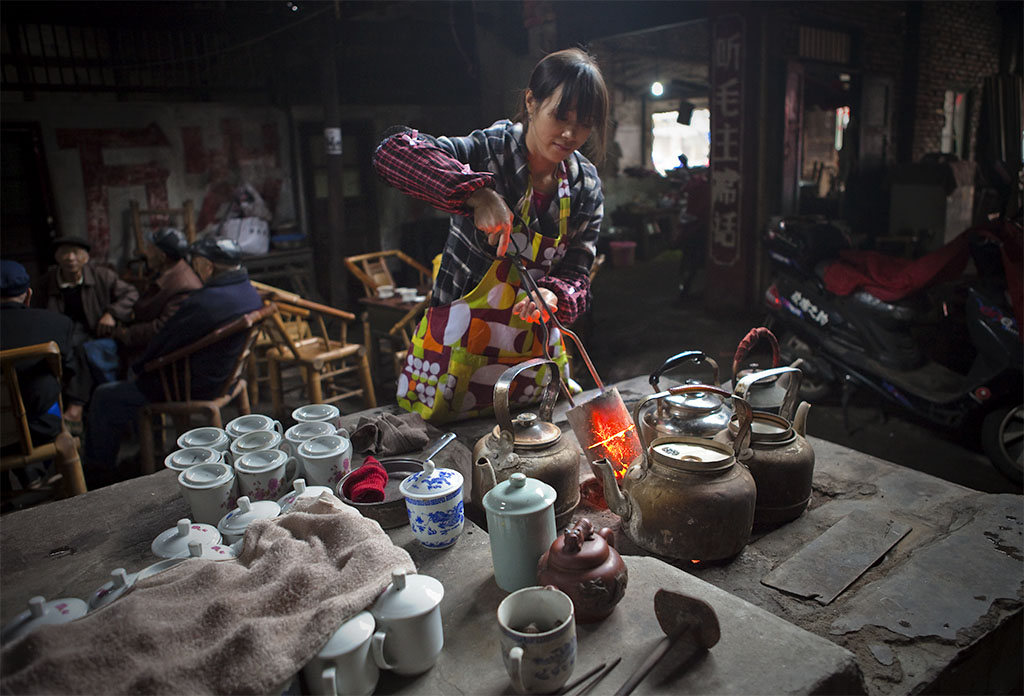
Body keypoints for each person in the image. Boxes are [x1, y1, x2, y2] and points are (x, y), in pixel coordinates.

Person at [372, 47, 609, 423]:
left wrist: (555, 293)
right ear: (531, 102)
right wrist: (476, 194)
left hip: (531, 361)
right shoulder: (489, 152)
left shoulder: (584, 185)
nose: (569, 133)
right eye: (560, 116)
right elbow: (393, 151)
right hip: (455, 356)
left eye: (584, 123)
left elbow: (578, 273)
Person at [82, 237, 263, 487]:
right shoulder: (247, 290)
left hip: (195, 385)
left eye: (196, 264)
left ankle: (97, 476)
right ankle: (147, 452)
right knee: (138, 377)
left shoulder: (205, 301)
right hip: (226, 377)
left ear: (207, 266)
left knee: (106, 395)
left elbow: (161, 345)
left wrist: (142, 366)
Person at [33, 235, 139, 431]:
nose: (70, 258)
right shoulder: (46, 283)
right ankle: (66, 417)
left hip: (98, 334)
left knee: (83, 350)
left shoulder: (102, 276)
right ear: (57, 257)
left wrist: (111, 313)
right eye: (65, 252)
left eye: (76, 253)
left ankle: (76, 407)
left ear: (86, 258)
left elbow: (131, 294)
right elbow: (36, 314)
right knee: (67, 354)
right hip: (63, 337)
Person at [114, 227, 202, 364]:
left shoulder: (184, 286)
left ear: (162, 256)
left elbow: (162, 328)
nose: (146, 253)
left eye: (150, 249)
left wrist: (127, 333)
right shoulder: (166, 271)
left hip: (156, 356)